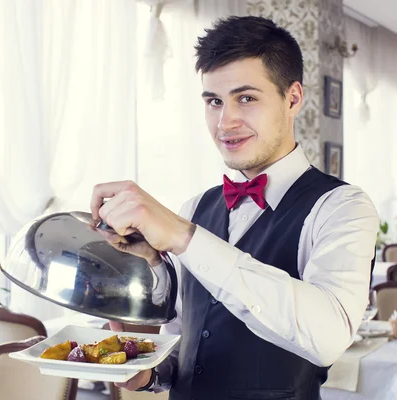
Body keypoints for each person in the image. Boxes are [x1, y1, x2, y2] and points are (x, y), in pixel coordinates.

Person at [90, 15, 378, 400]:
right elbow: (183, 340)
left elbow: (326, 337)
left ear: (292, 99)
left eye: (246, 98)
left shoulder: (342, 207)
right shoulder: (195, 207)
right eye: (214, 101)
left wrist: (183, 237)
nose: (226, 122)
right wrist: (147, 372)